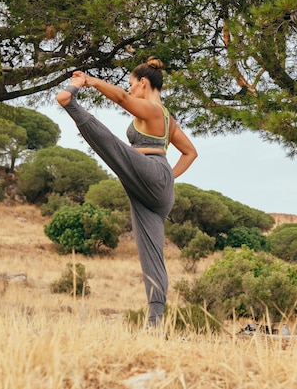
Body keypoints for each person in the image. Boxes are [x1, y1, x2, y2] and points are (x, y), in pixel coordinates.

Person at [56, 56, 197, 327]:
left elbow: (120, 98)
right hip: (154, 187)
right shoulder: (170, 120)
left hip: (152, 173)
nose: (130, 89)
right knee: (152, 257)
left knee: (115, 149)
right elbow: (191, 153)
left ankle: (70, 104)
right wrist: (170, 177)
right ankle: (154, 324)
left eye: (133, 84)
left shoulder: (154, 110)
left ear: (143, 83)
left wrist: (89, 81)